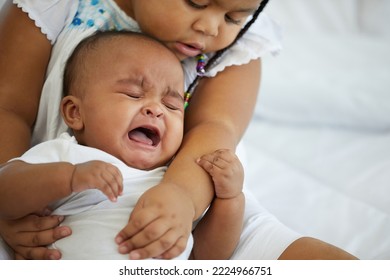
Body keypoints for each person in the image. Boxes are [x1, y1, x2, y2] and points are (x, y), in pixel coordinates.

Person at [0, 0, 357, 260]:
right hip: (54, 200)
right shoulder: (56, 5)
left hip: (195, 195)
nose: (212, 28)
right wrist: (9, 209)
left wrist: (184, 199)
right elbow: (9, 107)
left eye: (235, 16)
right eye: (196, 2)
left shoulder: (237, 45)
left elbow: (215, 129)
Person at [0, 30, 245, 260]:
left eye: (172, 106)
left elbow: (205, 258)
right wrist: (70, 177)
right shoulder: (68, 155)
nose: (156, 109)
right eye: (133, 94)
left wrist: (229, 200)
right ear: (75, 112)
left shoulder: (173, 180)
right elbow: (5, 193)